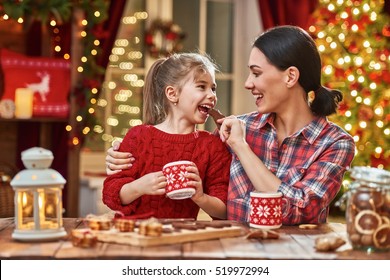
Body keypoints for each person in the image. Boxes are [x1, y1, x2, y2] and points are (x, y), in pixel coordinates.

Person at [106, 25, 355, 225]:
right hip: (233, 253)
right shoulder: (232, 128)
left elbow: (302, 209)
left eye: (256, 73)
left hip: (295, 255)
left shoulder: (335, 143)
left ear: (290, 76)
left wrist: (242, 148)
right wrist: (121, 152)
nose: (247, 84)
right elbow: (173, 147)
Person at [103, 53, 231, 220]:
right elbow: (110, 195)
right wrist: (139, 186)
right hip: (135, 235)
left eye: (213, 88)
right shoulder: (139, 137)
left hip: (181, 238)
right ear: (172, 94)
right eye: (201, 86)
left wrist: (201, 197)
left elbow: (224, 210)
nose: (212, 95)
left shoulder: (212, 146)